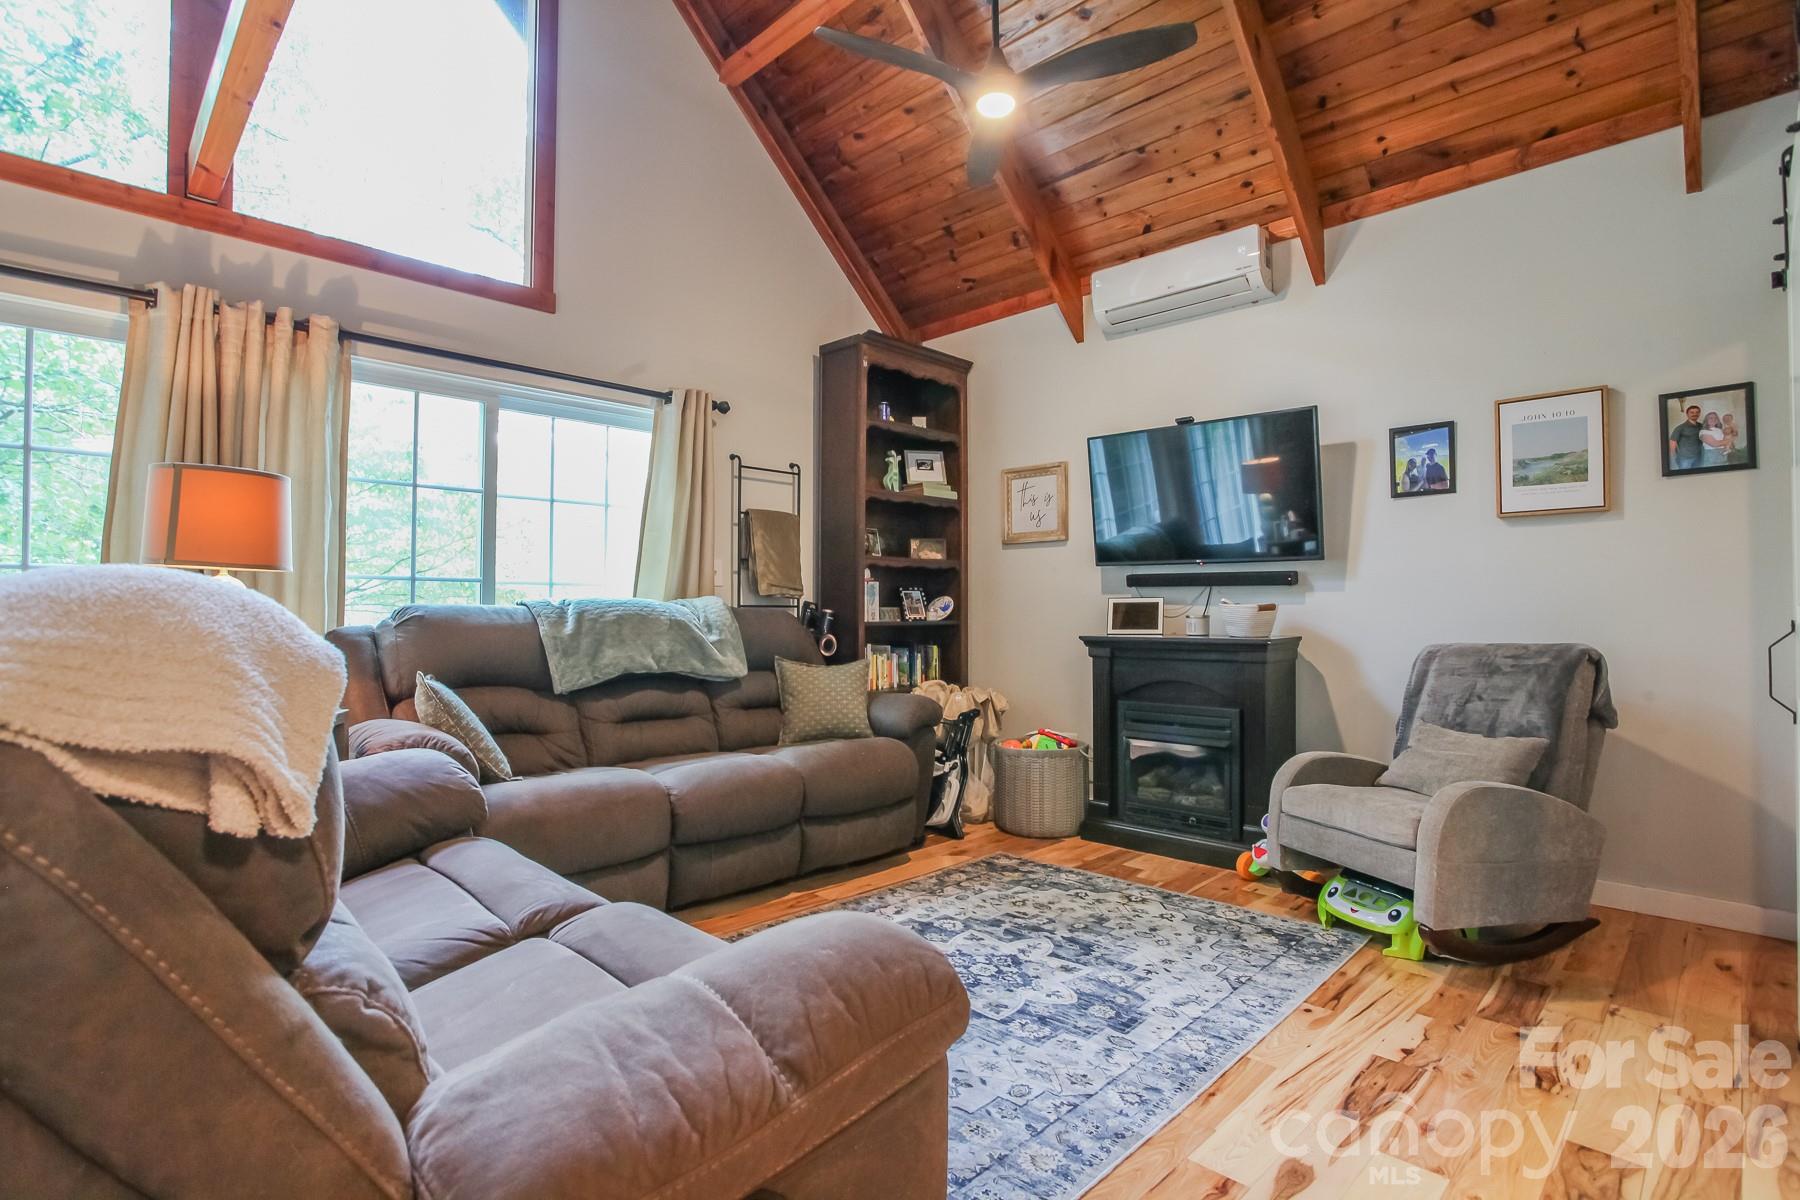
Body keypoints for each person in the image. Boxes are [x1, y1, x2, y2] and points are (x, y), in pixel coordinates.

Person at [1668, 403, 1704, 470]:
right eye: (1692, 412)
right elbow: (1672, 443)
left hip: (1699, 457)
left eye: (1697, 412)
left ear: (1699, 414)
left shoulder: (1702, 426)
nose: (1695, 414)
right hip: (1685, 459)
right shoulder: (1680, 428)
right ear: (1687, 414)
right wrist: (1675, 457)